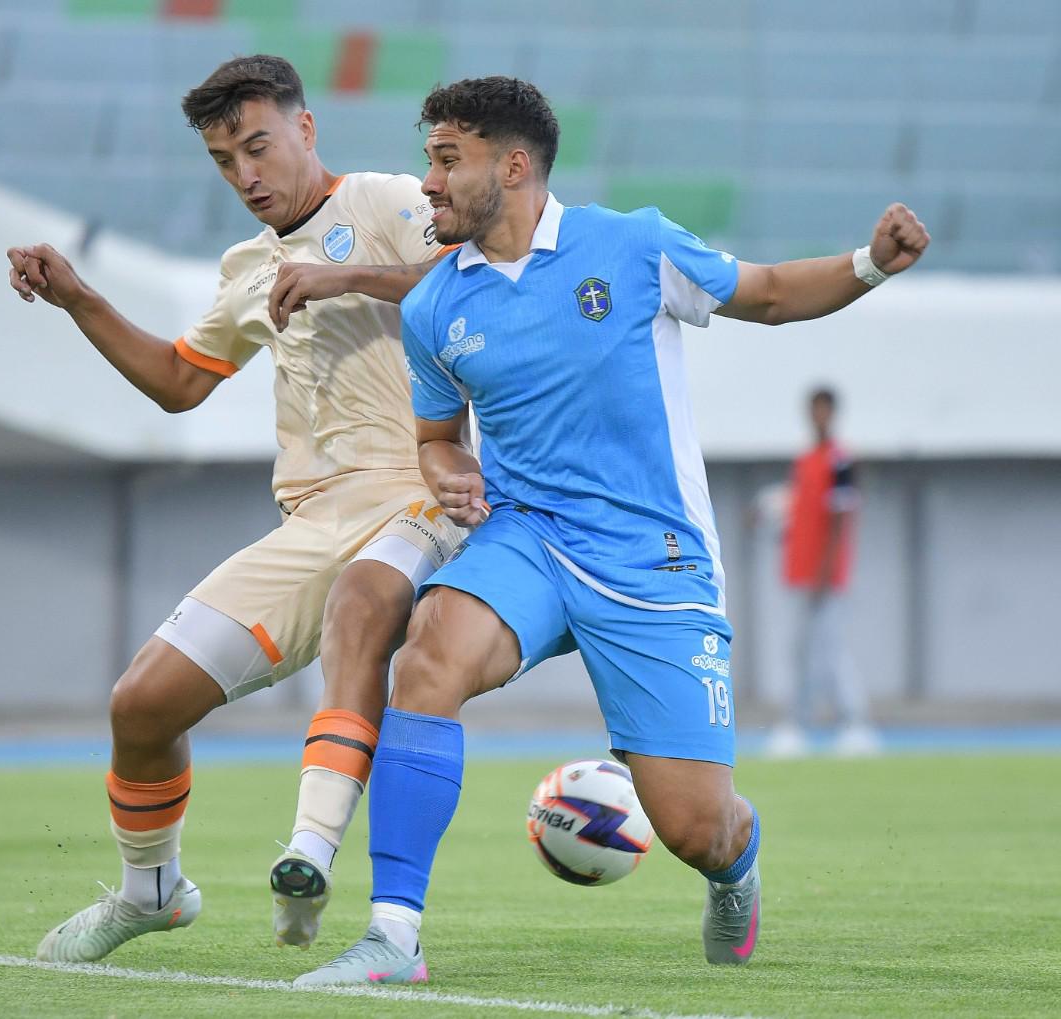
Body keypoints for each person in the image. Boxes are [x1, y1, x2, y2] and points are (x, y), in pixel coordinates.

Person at [295, 75, 930, 986]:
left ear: (511, 167)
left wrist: (869, 262)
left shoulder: (631, 246)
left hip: (652, 560)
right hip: (529, 538)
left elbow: (774, 294)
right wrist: (450, 470)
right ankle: (394, 935)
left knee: (693, 826)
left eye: (446, 161)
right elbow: (436, 439)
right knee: (426, 656)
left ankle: (736, 862)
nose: (426, 183)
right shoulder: (436, 305)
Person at [5, 54, 465, 963]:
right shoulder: (248, 266)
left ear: (305, 130)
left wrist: (351, 277)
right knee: (141, 705)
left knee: (363, 614)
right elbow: (181, 380)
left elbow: (485, 281)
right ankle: (153, 892)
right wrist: (79, 300)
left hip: (423, 491)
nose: (245, 175)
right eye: (224, 160)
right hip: (313, 522)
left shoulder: (383, 203)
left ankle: (313, 854)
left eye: (258, 146)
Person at [767, 387, 877, 757]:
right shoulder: (805, 460)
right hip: (798, 572)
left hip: (825, 576)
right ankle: (796, 725)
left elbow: (840, 516)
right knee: (798, 651)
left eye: (823, 410)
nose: (818, 416)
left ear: (833, 413)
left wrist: (825, 571)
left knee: (832, 650)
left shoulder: (840, 461)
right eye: (813, 410)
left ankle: (854, 724)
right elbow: (799, 510)